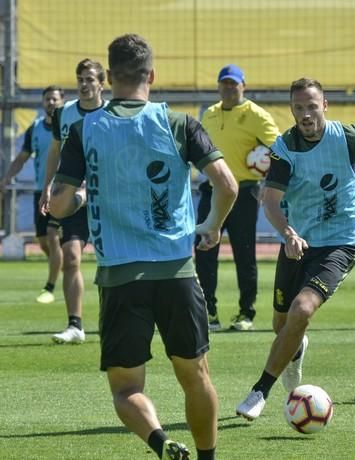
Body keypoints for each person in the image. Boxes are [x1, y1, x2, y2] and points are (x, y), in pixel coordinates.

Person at [49, 33, 237, 460]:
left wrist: (78, 198)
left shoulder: (84, 128)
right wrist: (212, 226)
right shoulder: (179, 123)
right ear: (152, 75)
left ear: (110, 77)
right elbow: (227, 184)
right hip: (177, 273)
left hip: (119, 276)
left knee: (126, 388)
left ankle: (159, 440)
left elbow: (59, 205)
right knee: (197, 376)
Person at [235, 77, 355, 421]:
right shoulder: (283, 148)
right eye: (298, 108)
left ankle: (259, 391)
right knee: (283, 325)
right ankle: (296, 349)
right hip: (299, 242)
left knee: (302, 310)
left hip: (340, 241)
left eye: (311, 106)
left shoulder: (347, 136)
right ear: (292, 110)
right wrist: (290, 233)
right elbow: (272, 202)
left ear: (325, 105)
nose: (306, 114)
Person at [195, 64, 281, 332]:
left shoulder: (256, 114)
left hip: (244, 191)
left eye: (234, 83)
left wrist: (270, 180)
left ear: (244, 85)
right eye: (225, 83)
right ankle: (208, 312)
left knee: (244, 254)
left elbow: (278, 147)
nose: (229, 88)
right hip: (211, 190)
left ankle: (246, 313)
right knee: (205, 252)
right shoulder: (209, 114)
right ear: (219, 86)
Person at [39, 59, 107, 344]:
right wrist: (47, 188)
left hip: (106, 197)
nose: (84, 84)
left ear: (102, 83)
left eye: (90, 79)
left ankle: (113, 321)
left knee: (112, 262)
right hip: (72, 195)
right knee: (71, 257)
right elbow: (55, 151)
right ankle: (75, 325)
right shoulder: (64, 113)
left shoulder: (113, 113)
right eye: (80, 78)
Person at [0, 86, 64, 303]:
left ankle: (50, 287)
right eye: (47, 99)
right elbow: (22, 158)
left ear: (62, 101)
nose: (51, 103)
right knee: (44, 242)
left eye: (55, 99)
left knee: (53, 236)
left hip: (62, 191)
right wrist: (7, 178)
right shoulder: (35, 128)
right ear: (43, 103)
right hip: (41, 191)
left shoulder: (68, 126)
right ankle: (61, 266)